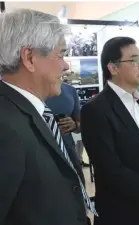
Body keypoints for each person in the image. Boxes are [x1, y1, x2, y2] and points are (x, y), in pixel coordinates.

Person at [0, 9, 96, 225]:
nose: (66, 65)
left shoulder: (31, 111)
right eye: (60, 54)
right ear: (30, 58)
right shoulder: (5, 126)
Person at [80, 36, 139, 225]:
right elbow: (110, 168)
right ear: (113, 68)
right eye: (134, 60)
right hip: (122, 211)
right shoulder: (96, 109)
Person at [45, 81, 84, 165]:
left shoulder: (70, 90)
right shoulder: (26, 91)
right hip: (41, 153)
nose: (66, 67)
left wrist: (74, 125)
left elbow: (81, 126)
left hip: (68, 151)